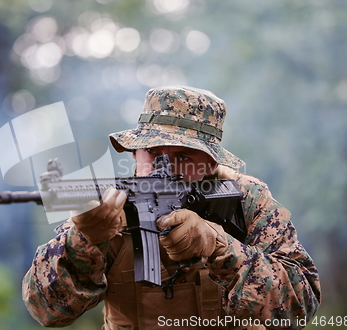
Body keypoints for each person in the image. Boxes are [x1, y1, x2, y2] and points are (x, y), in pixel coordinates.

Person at [22, 86, 321, 329]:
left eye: (183, 155)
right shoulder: (108, 205)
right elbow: (48, 312)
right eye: (151, 152)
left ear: (211, 162)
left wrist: (220, 247)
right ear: (135, 153)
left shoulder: (245, 198)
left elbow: (301, 305)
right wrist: (83, 241)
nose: (161, 167)